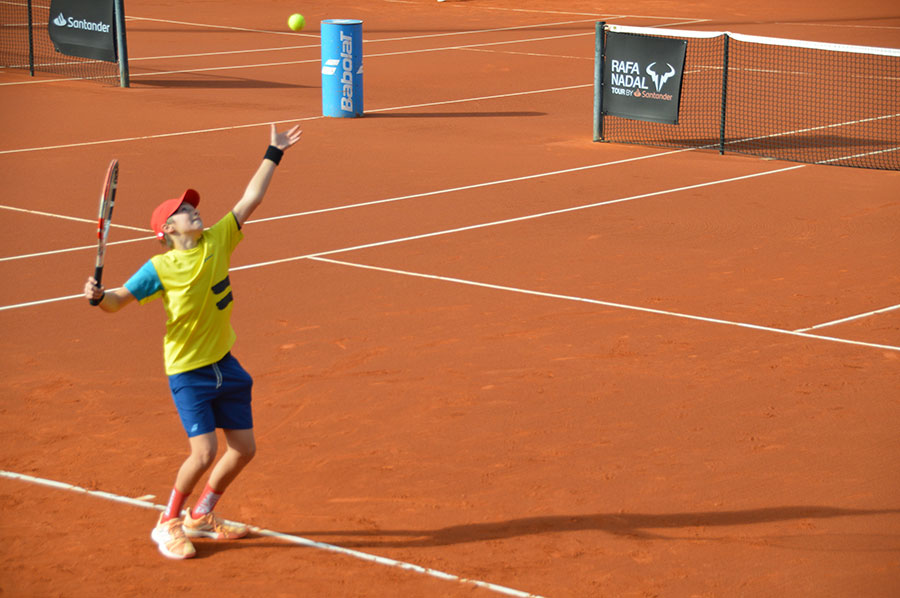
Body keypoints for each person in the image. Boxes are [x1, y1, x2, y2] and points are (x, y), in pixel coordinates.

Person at [84, 123, 303, 559]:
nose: (194, 211)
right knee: (202, 452)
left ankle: (201, 516)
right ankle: (167, 523)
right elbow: (118, 302)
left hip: (224, 362)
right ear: (166, 228)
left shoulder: (218, 239)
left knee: (243, 449)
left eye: (193, 207)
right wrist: (98, 297)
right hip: (187, 370)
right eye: (185, 210)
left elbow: (251, 199)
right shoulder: (158, 268)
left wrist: (273, 153)